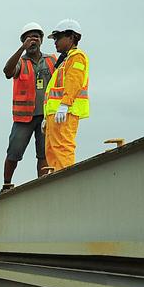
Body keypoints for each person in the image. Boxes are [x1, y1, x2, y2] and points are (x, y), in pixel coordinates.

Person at [1, 22, 57, 192]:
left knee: (43, 153)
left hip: (45, 116)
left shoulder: (51, 60)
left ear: (41, 40)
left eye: (36, 37)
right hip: (23, 117)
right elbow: (7, 71)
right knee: (14, 152)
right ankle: (6, 184)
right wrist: (21, 49)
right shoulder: (20, 62)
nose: (33, 40)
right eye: (28, 38)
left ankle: (42, 186)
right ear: (23, 41)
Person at [44, 19, 90, 172]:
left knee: (62, 149)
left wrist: (65, 104)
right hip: (56, 114)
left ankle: (65, 180)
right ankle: (55, 177)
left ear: (71, 37)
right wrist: (46, 117)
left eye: (58, 37)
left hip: (66, 112)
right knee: (52, 150)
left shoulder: (77, 57)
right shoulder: (64, 61)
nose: (55, 42)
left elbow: (74, 82)